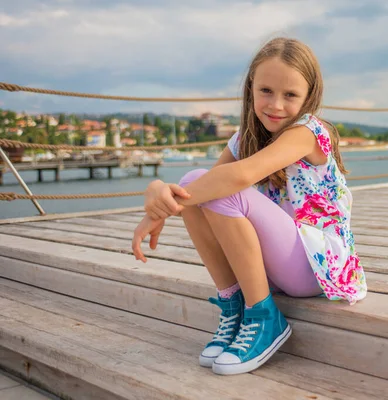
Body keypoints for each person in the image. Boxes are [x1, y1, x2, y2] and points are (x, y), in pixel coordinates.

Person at [131, 37, 367, 376]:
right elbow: (199, 192)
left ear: (309, 96)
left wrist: (160, 208)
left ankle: (264, 317)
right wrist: (156, 193)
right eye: (266, 91)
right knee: (196, 181)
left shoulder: (309, 132)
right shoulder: (246, 138)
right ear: (251, 88)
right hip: (278, 266)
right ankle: (234, 306)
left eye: (290, 95)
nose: (276, 105)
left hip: (315, 267)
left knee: (223, 186)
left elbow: (240, 175)